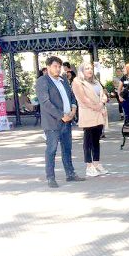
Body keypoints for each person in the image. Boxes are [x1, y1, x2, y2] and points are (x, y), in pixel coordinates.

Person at [34, 56, 85, 188]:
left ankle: (70, 174)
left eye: (59, 66)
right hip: (52, 123)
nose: (58, 69)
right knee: (51, 150)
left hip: (67, 121)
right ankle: (50, 177)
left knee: (67, 149)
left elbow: (72, 96)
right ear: (48, 67)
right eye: (55, 66)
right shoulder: (42, 81)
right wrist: (61, 115)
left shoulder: (63, 80)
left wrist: (73, 109)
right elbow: (45, 103)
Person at [71, 61, 109, 177]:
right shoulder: (77, 82)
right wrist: (96, 107)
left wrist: (101, 103)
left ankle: (97, 164)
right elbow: (82, 98)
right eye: (87, 68)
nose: (90, 70)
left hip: (99, 113)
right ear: (81, 70)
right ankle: (89, 166)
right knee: (88, 141)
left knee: (96, 140)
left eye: (91, 68)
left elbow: (103, 94)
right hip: (88, 113)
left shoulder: (96, 81)